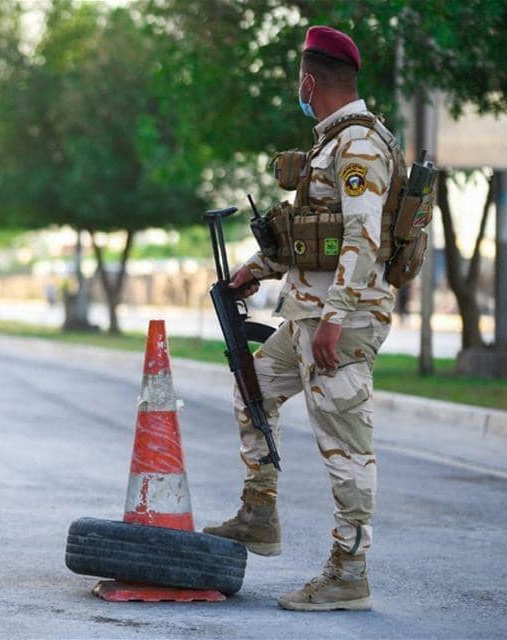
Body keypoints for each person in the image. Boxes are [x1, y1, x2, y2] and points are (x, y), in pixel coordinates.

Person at [203, 26, 400, 612]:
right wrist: (256, 268)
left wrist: (336, 315)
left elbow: (363, 237)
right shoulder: (331, 143)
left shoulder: (360, 146)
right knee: (252, 386)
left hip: (341, 320)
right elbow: (313, 235)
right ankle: (259, 512)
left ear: (310, 82)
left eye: (299, 81)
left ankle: (349, 573)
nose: (299, 89)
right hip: (306, 317)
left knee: (345, 443)